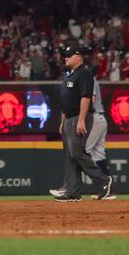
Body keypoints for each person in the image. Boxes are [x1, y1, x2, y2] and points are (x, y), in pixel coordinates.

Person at [50, 43, 115, 202]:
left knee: (77, 153)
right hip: (68, 119)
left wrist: (81, 120)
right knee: (70, 156)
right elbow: (66, 100)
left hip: (79, 117)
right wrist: (63, 122)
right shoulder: (69, 75)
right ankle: (72, 192)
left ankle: (104, 181)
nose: (65, 57)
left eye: (69, 55)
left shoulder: (84, 74)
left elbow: (86, 97)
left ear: (78, 57)